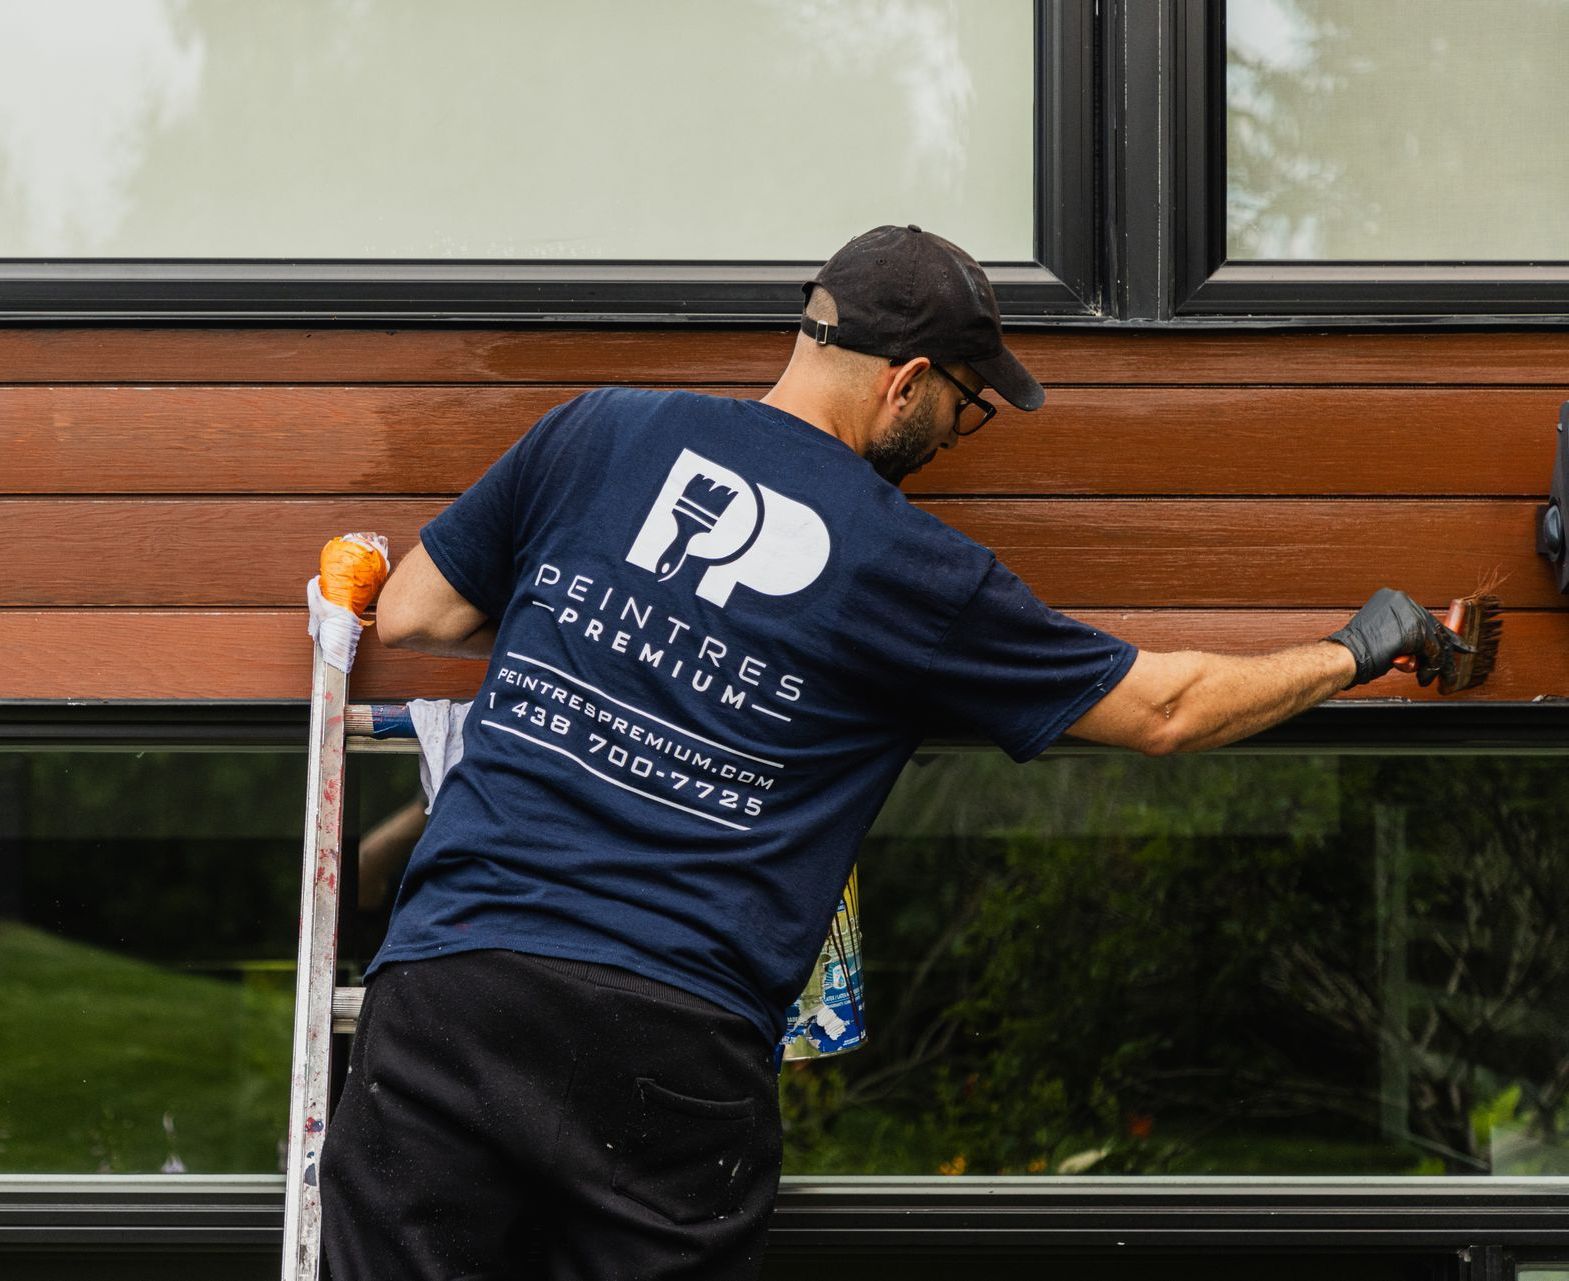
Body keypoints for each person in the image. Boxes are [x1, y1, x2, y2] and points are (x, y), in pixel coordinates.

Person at [319, 224, 1455, 1280]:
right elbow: (1165, 710)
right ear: (908, 382)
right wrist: (1357, 650)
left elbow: (419, 612)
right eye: (971, 410)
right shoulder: (910, 568)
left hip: (450, 986)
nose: (963, 436)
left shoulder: (599, 429)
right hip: (664, 1037)